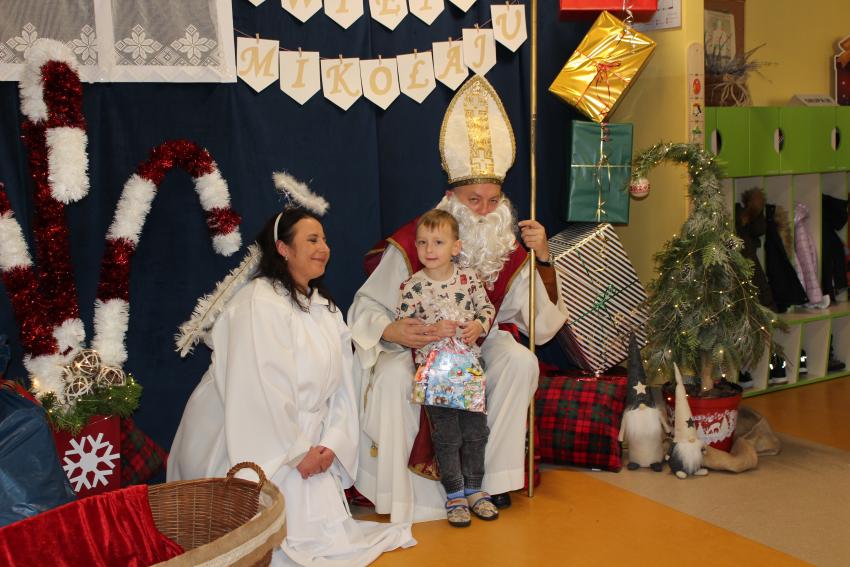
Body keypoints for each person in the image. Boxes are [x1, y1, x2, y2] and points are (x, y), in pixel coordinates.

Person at [348, 76, 567, 523]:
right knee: (390, 380)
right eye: (474, 199)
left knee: (521, 361)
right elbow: (365, 308)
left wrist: (543, 257)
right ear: (451, 197)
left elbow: (542, 326)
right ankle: (406, 495)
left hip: (475, 345)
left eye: (493, 200)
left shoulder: (507, 249)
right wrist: (393, 330)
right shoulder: (414, 242)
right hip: (416, 349)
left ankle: (489, 482)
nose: (484, 211)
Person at [168, 206, 415, 566]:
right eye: (312, 240)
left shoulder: (325, 309)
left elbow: (343, 385)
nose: (324, 248)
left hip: (311, 443)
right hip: (257, 439)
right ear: (283, 249)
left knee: (326, 542)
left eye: (325, 240)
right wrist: (297, 452)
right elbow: (258, 388)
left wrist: (332, 442)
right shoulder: (258, 303)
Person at [395, 209, 498, 527]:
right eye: (422, 242)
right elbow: (404, 326)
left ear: (456, 247)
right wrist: (431, 331)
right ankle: (454, 494)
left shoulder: (469, 279)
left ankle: (475, 488)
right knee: (447, 435)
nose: (429, 249)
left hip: (469, 365)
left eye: (438, 242)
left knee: (476, 431)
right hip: (436, 369)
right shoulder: (412, 286)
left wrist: (478, 326)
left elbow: (486, 308)